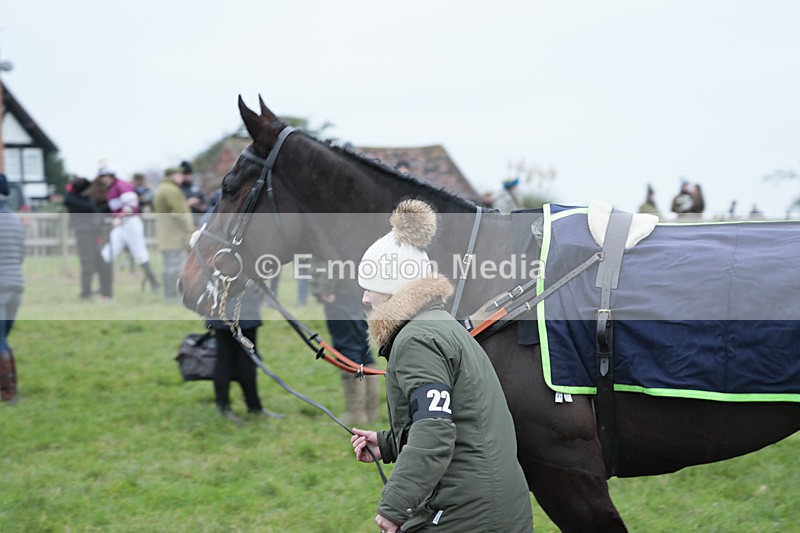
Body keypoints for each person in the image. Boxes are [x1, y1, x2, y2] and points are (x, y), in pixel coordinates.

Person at [350, 200, 533, 532]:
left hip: (468, 515)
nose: (365, 297)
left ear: (393, 287)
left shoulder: (416, 340)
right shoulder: (441, 325)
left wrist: (394, 507)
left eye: (371, 285)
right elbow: (451, 416)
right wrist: (387, 443)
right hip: (491, 506)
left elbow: (435, 431)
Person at [310, 261, 380, 426]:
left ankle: (356, 413)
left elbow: (326, 257)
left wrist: (325, 291)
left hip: (339, 297)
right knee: (365, 350)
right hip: (360, 294)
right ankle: (372, 410)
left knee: (348, 352)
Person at [205, 289, 284, 423]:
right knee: (226, 360)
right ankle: (225, 408)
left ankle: (253, 407)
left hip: (238, 306)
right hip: (231, 306)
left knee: (246, 360)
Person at [97, 168, 160, 293]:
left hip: (131, 224)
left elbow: (131, 205)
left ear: (111, 175)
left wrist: (119, 218)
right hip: (120, 226)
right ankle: (103, 285)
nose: (102, 179)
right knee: (106, 254)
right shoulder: (110, 189)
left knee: (140, 255)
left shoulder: (122, 185)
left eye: (104, 176)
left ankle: (154, 284)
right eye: (101, 176)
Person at [64, 176, 112, 299]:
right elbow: (91, 208)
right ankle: (87, 293)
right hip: (85, 233)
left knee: (100, 264)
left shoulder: (82, 198)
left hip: (93, 233)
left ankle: (104, 292)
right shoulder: (74, 199)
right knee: (88, 265)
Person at [152, 167, 195, 300]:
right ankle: (174, 296)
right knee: (176, 267)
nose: (181, 177)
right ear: (173, 176)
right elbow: (180, 214)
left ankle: (169, 295)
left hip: (166, 235)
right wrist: (191, 230)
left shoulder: (162, 188)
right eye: (179, 175)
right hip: (175, 236)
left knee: (168, 267)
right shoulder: (171, 190)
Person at [0, 173, 24, 405]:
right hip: (16, 285)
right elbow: (21, 255)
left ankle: (8, 394)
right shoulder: (14, 221)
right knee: (2, 338)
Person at [179, 161, 206, 225]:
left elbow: (204, 206)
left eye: (189, 174)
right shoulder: (177, 189)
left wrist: (200, 206)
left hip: (198, 220)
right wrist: (188, 203)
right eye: (185, 174)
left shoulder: (196, 188)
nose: (188, 176)